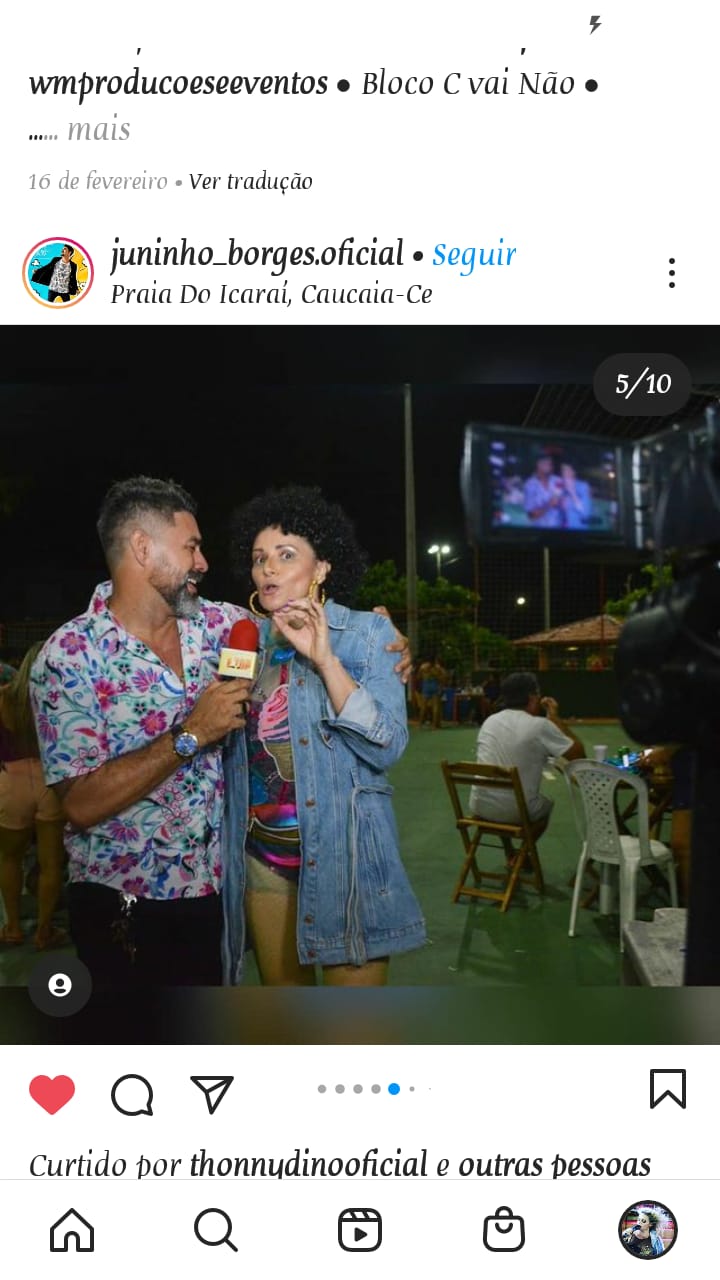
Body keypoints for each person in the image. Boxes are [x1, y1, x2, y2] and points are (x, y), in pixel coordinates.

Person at [29, 476, 411, 987]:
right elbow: (78, 803)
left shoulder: (222, 627)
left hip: (214, 892)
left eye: (283, 555)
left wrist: (384, 640)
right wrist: (191, 734)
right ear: (142, 547)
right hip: (124, 898)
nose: (204, 562)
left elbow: (324, 640)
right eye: (191, 546)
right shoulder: (70, 654)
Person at [222, 484, 426, 986]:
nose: (268, 568)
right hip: (263, 861)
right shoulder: (243, 643)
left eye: (286, 555)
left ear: (322, 569)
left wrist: (326, 660)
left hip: (346, 860)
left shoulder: (368, 635)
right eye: (259, 558)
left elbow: (387, 746)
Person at [0, 642, 67, 949]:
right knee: (51, 864)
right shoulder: (60, 699)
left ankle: (13, 927)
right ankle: (44, 931)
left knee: (9, 858)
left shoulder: (4, 697)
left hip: (10, 783)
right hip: (50, 782)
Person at [470, 671, 585, 831]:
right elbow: (578, 755)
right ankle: (525, 848)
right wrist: (554, 718)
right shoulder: (539, 725)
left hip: (480, 805)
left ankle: (516, 848)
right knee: (545, 805)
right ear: (533, 698)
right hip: (516, 810)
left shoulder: (490, 721)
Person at [523, 453, 564, 528]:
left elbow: (563, 504)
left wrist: (562, 503)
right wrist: (549, 505)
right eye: (546, 464)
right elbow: (531, 516)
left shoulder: (558, 481)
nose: (549, 467)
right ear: (538, 465)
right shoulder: (530, 485)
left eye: (550, 464)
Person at [557, 462, 592, 529]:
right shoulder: (561, 487)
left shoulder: (583, 486)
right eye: (563, 470)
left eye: (568, 470)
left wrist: (572, 492)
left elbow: (586, 514)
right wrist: (560, 506)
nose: (565, 473)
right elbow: (560, 512)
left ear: (573, 472)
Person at [416, 656, 447, 729]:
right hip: (434, 684)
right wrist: (437, 679)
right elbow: (443, 678)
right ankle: (434, 726)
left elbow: (418, 677)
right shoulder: (438, 667)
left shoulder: (423, 667)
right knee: (435, 706)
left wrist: (424, 677)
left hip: (426, 685)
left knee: (423, 706)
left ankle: (420, 724)